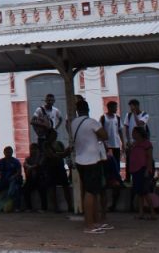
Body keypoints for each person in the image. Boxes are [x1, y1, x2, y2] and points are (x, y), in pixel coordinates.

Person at [70, 99, 111, 234]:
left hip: (80, 159)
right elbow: (105, 135)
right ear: (88, 109)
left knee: (90, 191)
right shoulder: (92, 122)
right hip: (92, 160)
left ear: (77, 110)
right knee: (91, 192)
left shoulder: (73, 123)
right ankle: (89, 224)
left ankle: (95, 221)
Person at [42, 128, 73, 213]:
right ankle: (55, 207)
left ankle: (70, 206)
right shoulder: (46, 144)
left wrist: (65, 152)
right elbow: (51, 155)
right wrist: (64, 153)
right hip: (51, 167)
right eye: (53, 134)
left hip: (60, 166)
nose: (55, 136)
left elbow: (63, 154)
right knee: (52, 187)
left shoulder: (59, 143)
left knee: (65, 186)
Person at [129, 126, 155, 220]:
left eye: (134, 132)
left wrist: (148, 170)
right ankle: (141, 213)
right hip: (135, 170)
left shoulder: (147, 144)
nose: (132, 134)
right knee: (139, 193)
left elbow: (149, 157)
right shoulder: (134, 144)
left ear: (139, 133)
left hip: (143, 169)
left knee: (145, 192)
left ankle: (152, 213)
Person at [0, 146, 22, 212]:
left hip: (13, 181)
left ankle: (17, 207)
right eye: (7, 152)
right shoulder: (0, 162)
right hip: (3, 180)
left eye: (9, 152)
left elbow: (19, 172)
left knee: (17, 189)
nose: (8, 153)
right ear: (4, 152)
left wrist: (14, 176)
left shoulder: (16, 161)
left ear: (12, 152)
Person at [21, 143, 47, 212]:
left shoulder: (42, 157)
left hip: (41, 178)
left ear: (38, 149)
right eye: (31, 149)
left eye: (34, 149)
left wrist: (31, 167)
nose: (32, 150)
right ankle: (29, 207)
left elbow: (39, 165)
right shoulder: (28, 158)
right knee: (25, 189)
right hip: (31, 179)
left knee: (42, 189)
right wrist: (29, 167)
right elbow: (25, 164)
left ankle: (44, 208)